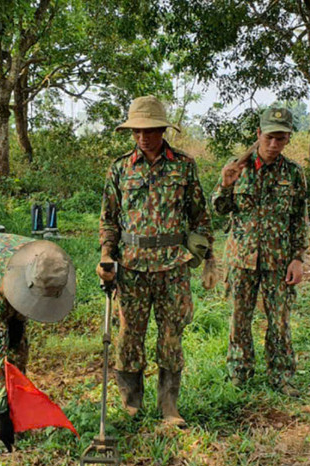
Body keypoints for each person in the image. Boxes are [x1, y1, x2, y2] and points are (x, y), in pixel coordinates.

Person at [97, 95, 217, 427]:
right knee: (129, 337)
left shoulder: (184, 165)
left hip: (173, 268)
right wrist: (107, 255)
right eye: (136, 131)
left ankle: (169, 407)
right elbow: (109, 219)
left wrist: (209, 260)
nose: (143, 137)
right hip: (132, 267)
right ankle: (131, 403)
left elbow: (201, 218)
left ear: (163, 129)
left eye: (150, 130)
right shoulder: (120, 168)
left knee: (171, 337)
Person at [210, 107, 309, 395]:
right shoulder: (237, 167)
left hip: (279, 260)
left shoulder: (293, 173)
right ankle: (240, 372)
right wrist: (226, 186)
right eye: (269, 137)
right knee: (240, 317)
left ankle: (282, 376)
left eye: (280, 138)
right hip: (242, 258)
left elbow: (298, 220)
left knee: (279, 320)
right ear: (258, 135)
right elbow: (219, 209)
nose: (273, 144)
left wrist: (298, 258)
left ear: (288, 139)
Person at [0, 227, 76, 451]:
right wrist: (0, 412)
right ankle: (3, 405)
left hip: (11, 266)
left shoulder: (46, 261)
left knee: (18, 347)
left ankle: (18, 406)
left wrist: (18, 323)